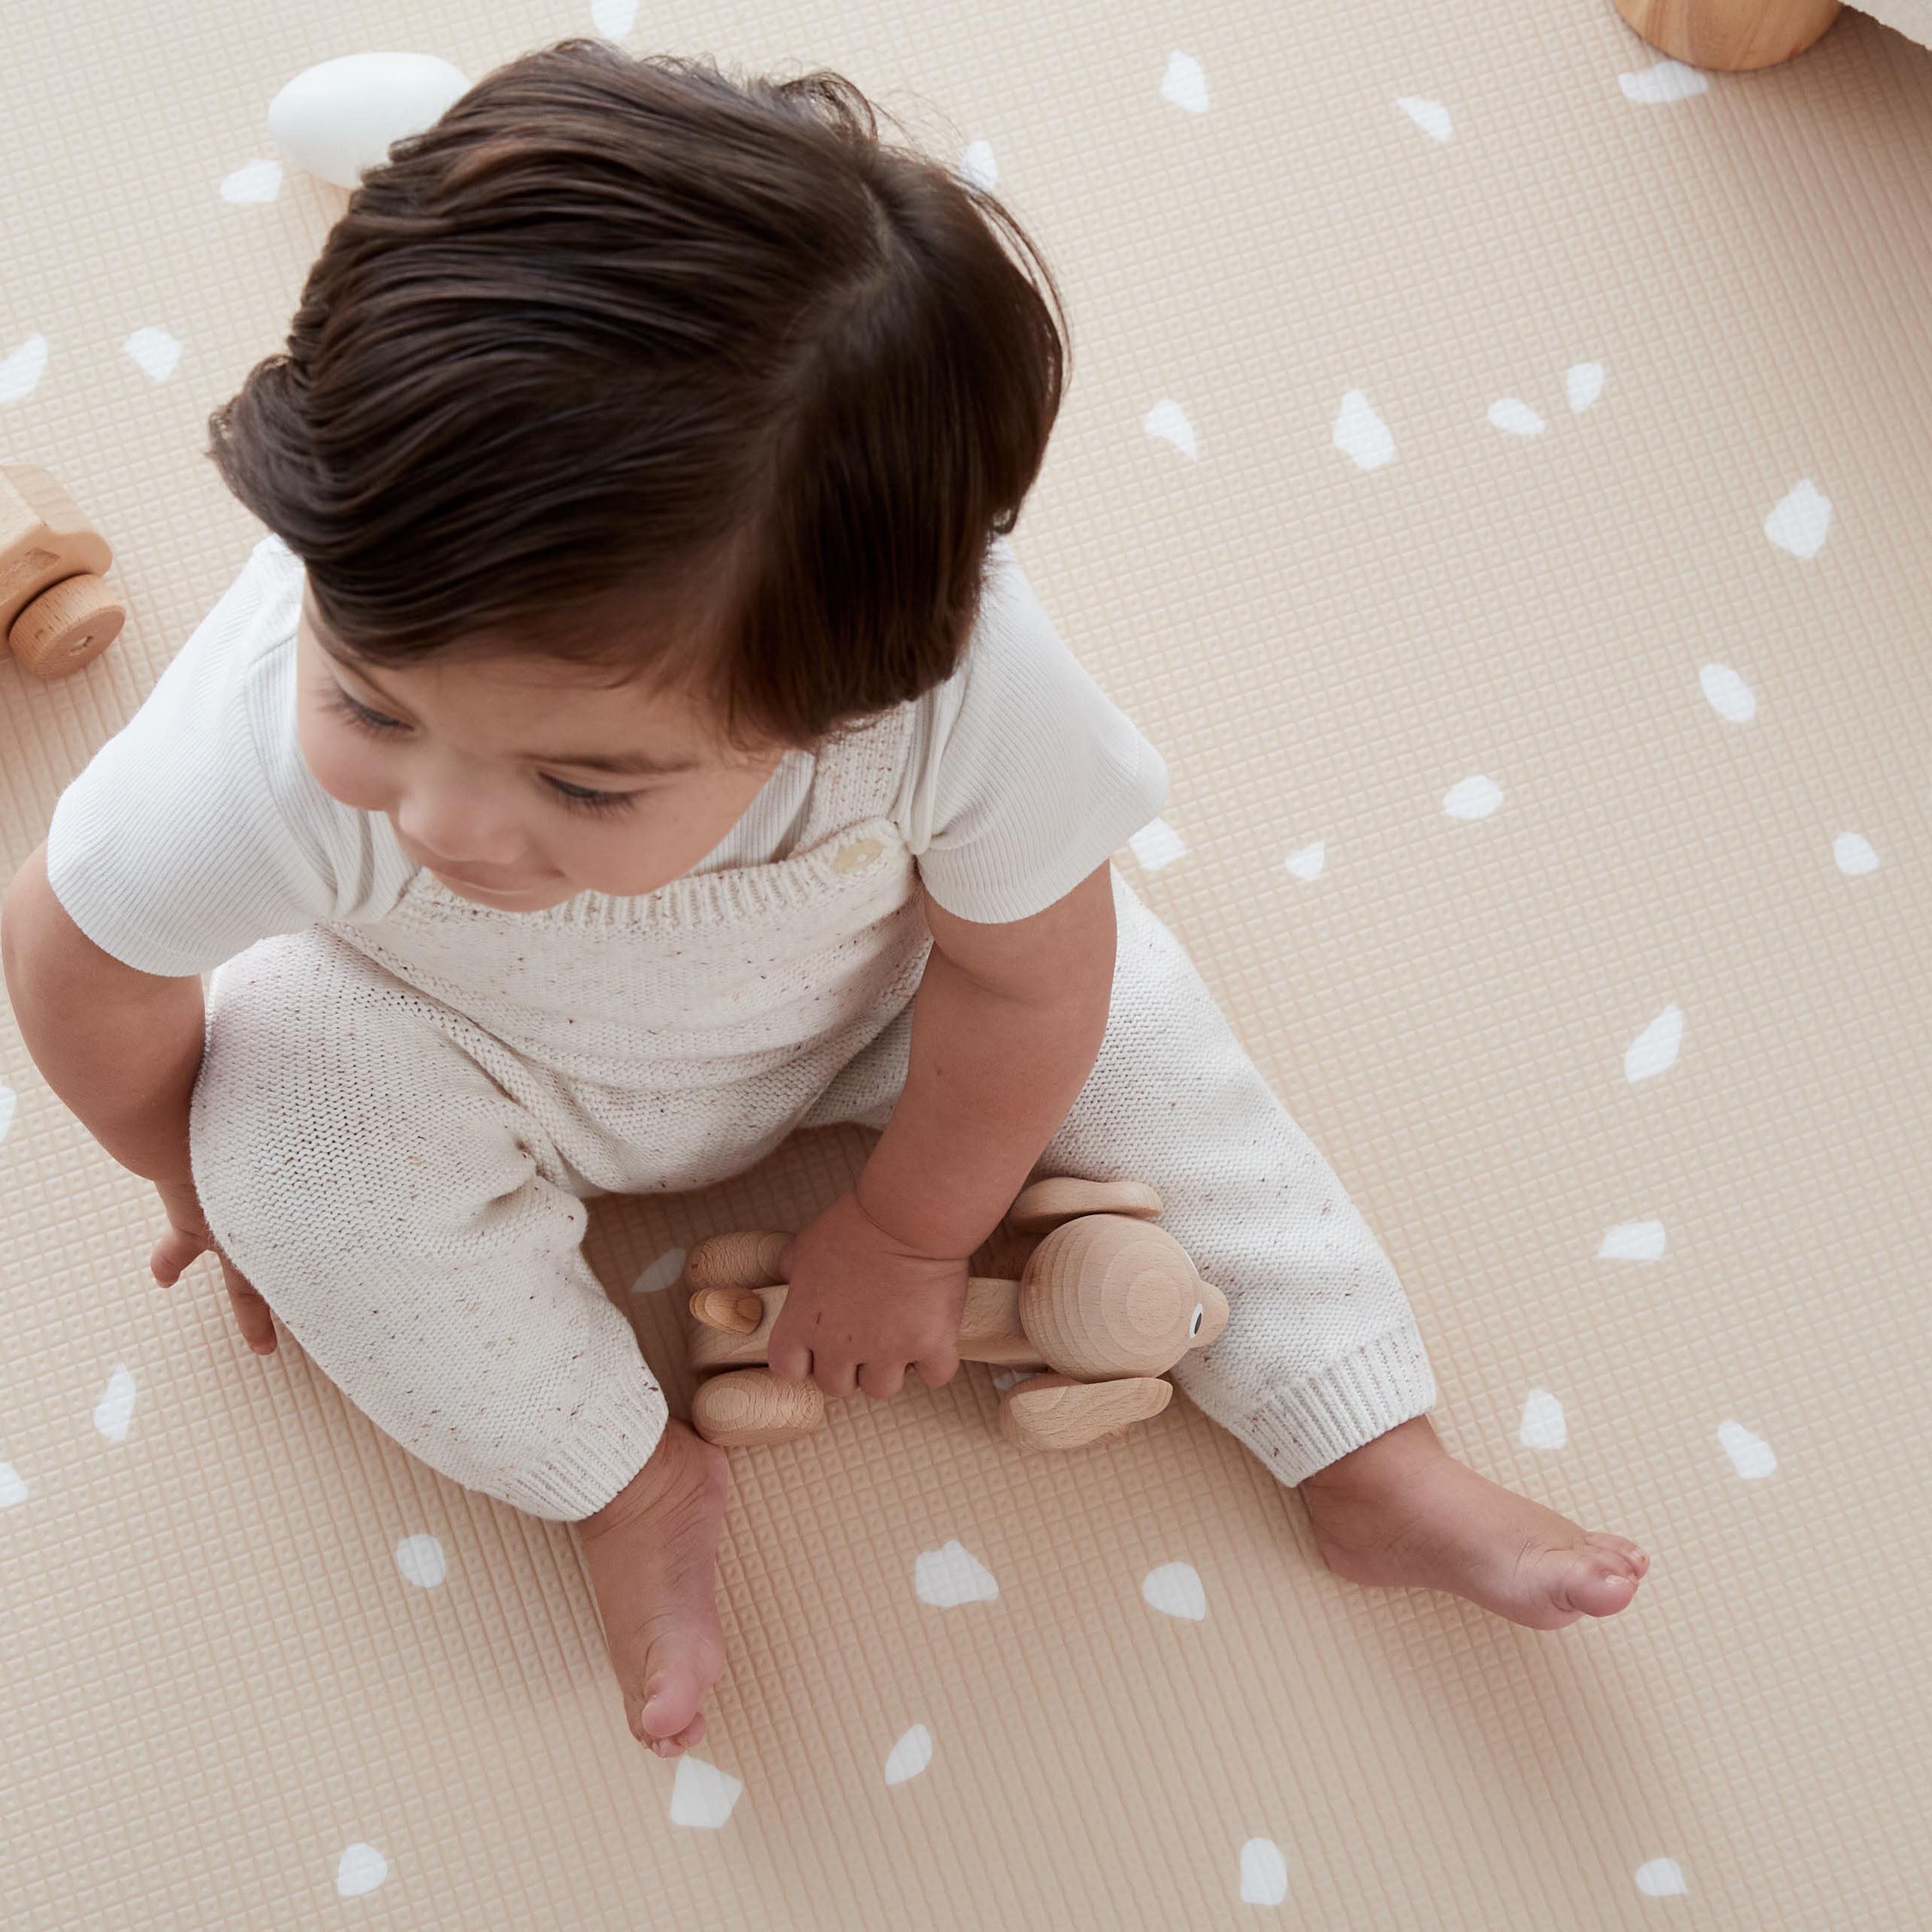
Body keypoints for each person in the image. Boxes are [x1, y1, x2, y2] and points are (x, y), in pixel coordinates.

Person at [0, 40, 1646, 1765]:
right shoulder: (258, 745)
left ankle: (1361, 1444)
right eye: (376, 700)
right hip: (452, 1035)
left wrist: (916, 1229)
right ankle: (622, 1475)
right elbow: (76, 944)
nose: (443, 817)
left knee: (1149, 1043)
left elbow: (1021, 985)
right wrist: (182, 1156)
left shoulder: (967, 695)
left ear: (848, 700)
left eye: (581, 780)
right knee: (294, 1139)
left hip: (878, 992)